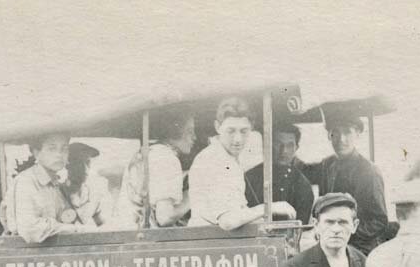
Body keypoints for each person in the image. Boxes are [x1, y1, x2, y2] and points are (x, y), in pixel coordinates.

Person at [189, 97, 296, 229]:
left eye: (244, 131)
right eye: (231, 131)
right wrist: (271, 207)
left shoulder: (228, 158)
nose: (238, 139)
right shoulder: (214, 160)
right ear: (217, 127)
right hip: (208, 243)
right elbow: (228, 221)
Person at [306, 110, 390, 256]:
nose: (341, 139)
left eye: (347, 132)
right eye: (335, 133)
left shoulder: (369, 171)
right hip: (333, 245)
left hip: (361, 249)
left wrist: (346, 233)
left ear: (357, 134)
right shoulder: (328, 165)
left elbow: (379, 221)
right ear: (329, 136)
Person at [114, 108, 195, 228]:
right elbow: (165, 217)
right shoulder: (167, 158)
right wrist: (193, 194)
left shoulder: (144, 153)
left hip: (129, 234)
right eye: (190, 131)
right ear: (174, 131)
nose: (194, 137)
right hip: (149, 239)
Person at [9, 132, 83, 243]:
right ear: (36, 153)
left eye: (64, 149)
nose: (59, 154)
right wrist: (75, 229)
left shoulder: (56, 185)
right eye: (52, 149)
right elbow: (30, 229)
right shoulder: (26, 181)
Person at [244, 124, 315, 226]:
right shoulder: (249, 178)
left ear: (296, 148)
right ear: (268, 145)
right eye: (278, 144)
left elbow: (300, 228)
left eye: (290, 145)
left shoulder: (302, 186)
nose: (284, 151)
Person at [65, 142, 112, 228]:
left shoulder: (94, 195)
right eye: (78, 162)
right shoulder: (57, 192)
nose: (85, 168)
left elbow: (102, 225)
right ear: (67, 165)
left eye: (87, 162)